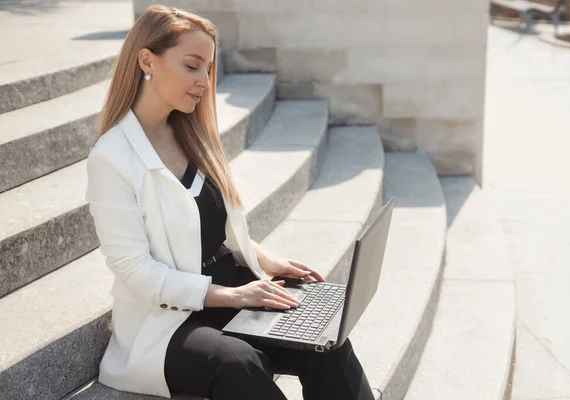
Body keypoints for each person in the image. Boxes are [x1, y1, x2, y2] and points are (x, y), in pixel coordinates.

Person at [85, 4, 376, 400]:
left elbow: (210, 228)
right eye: (192, 65)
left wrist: (266, 259)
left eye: (208, 68)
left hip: (228, 285)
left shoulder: (193, 134)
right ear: (146, 60)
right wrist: (235, 295)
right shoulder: (112, 157)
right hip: (168, 319)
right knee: (237, 362)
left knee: (325, 338)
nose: (204, 81)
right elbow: (136, 272)